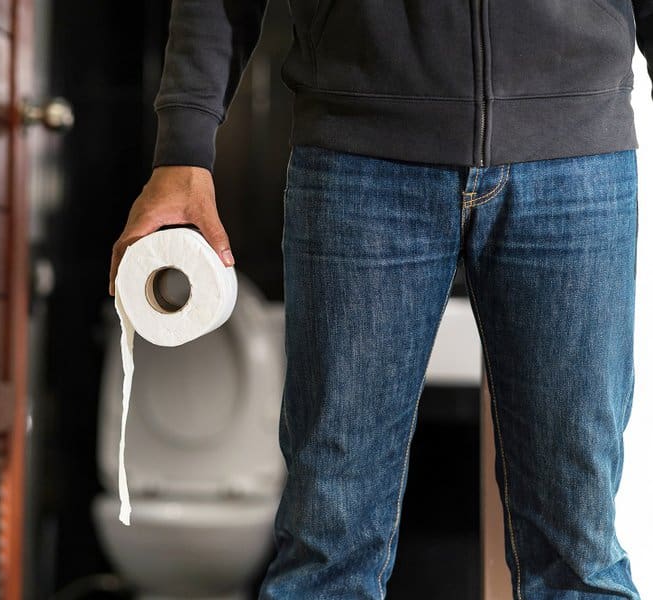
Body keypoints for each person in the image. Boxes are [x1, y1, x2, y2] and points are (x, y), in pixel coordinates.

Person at [109, 1, 650, 597]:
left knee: (580, 546)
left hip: (578, 148)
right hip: (357, 147)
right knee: (327, 545)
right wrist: (182, 147)